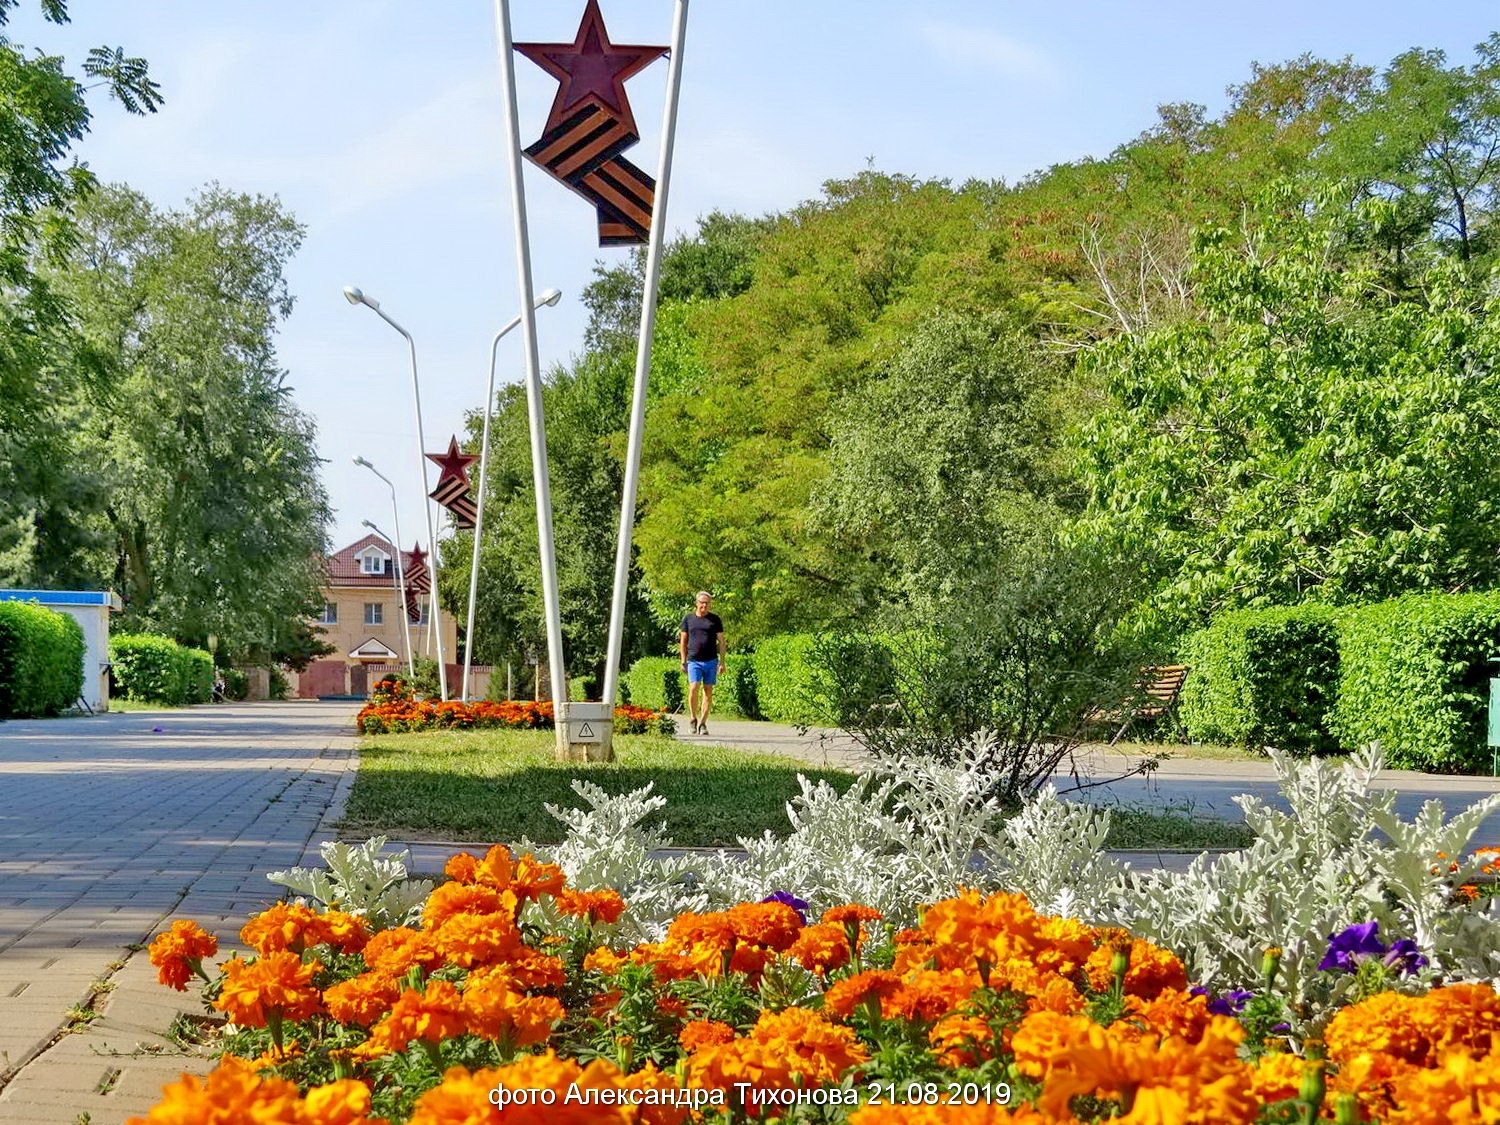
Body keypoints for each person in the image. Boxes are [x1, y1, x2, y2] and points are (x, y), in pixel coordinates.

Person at [679, 590, 726, 735]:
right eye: (702, 602)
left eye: (707, 603)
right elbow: (683, 641)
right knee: (693, 687)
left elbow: (722, 642)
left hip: (711, 661)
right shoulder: (688, 619)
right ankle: (693, 719)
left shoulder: (715, 619)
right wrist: (683, 660)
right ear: (696, 603)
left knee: (708, 691)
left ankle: (703, 723)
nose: (704, 605)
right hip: (694, 661)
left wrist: (722, 662)